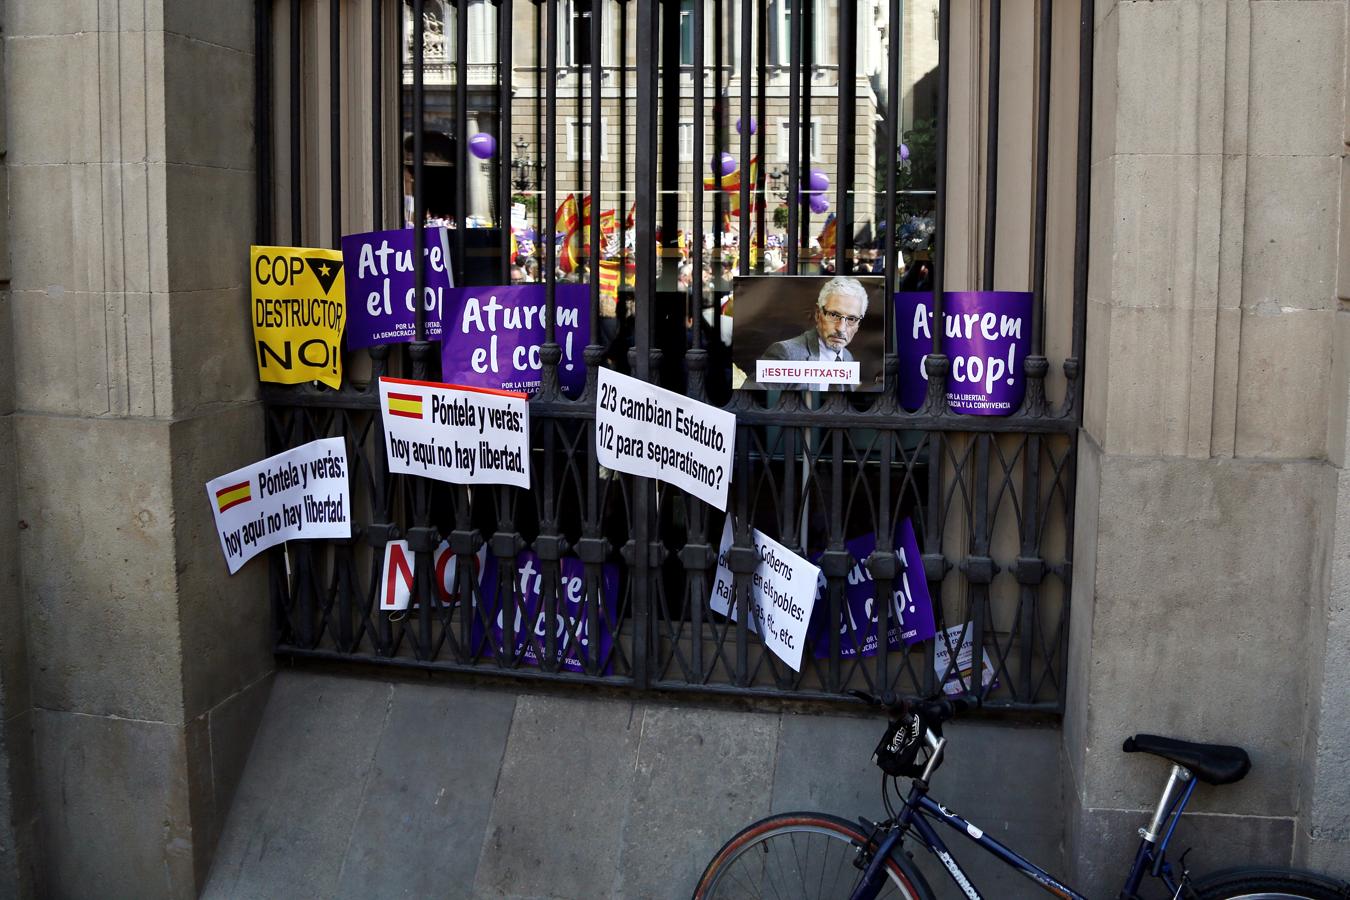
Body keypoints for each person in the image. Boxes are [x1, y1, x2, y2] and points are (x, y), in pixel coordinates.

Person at [760, 275, 869, 391]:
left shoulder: (847, 357)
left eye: (852, 319)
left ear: (858, 325)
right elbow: (754, 403)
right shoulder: (785, 354)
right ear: (818, 314)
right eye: (833, 315)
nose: (841, 329)